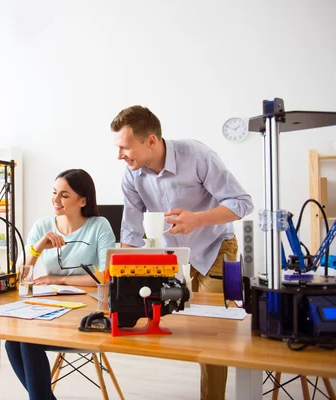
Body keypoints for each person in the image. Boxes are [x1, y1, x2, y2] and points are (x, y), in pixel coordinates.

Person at [111, 105, 254, 400]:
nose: (120, 156)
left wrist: (197, 219)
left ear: (150, 140)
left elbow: (242, 203)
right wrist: (121, 277)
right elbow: (131, 230)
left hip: (215, 248)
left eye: (125, 147)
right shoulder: (132, 175)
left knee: (215, 328)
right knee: (167, 318)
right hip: (171, 256)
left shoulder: (196, 157)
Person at [5, 169, 116, 400]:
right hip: (50, 307)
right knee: (12, 343)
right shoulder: (42, 225)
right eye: (54, 193)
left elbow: (106, 275)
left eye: (64, 195)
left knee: (28, 343)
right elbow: (19, 275)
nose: (55, 200)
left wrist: (59, 279)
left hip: (87, 312)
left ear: (83, 200)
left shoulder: (99, 226)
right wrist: (37, 248)